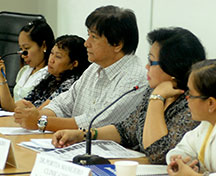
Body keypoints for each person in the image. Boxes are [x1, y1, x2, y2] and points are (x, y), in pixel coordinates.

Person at [52, 27, 206, 164]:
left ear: (173, 67)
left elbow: (158, 154)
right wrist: (82, 135)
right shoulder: (153, 91)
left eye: (151, 62)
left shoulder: (192, 104)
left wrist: (156, 100)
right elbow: (125, 130)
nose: (146, 66)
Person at [14, 5, 148, 132]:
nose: (86, 43)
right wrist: (33, 115)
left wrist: (41, 121)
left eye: (94, 37)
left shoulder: (134, 79)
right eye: (88, 34)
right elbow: (63, 103)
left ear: (117, 44)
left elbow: (94, 123)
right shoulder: (94, 68)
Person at [0, 19, 54, 111]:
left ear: (43, 45)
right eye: (20, 49)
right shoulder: (25, 71)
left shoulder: (50, 74)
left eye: (26, 48)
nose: (22, 55)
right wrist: (1, 77)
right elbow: (9, 107)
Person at [16, 34, 90, 109]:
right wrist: (3, 80)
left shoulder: (71, 85)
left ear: (74, 64)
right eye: (51, 53)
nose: (51, 60)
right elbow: (21, 104)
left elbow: (38, 114)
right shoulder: (50, 78)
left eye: (58, 56)